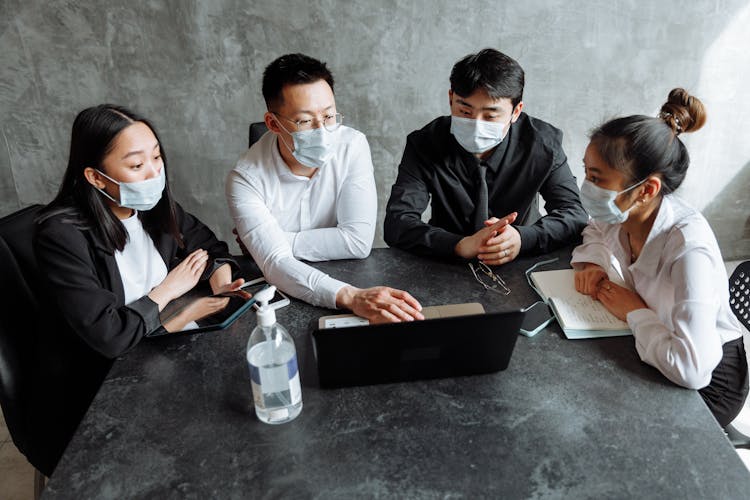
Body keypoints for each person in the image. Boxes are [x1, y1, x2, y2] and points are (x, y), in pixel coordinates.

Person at [32, 104, 243, 474]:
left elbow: (209, 248)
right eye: (136, 165)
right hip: (114, 379)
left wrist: (221, 281)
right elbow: (109, 336)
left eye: (157, 157)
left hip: (170, 348)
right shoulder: (61, 235)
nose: (154, 173)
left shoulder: (152, 206)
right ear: (96, 178)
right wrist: (166, 291)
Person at [572, 88, 748, 427]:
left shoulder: (688, 250)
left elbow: (692, 370)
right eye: (586, 173)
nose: (587, 187)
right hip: (656, 339)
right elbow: (595, 229)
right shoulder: (625, 212)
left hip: (710, 383)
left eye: (597, 178)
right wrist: (593, 261)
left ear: (646, 190)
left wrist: (635, 311)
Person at [227, 53, 423, 323]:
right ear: (273, 123)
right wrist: (350, 297)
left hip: (348, 273)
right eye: (305, 121)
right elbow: (275, 265)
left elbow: (357, 242)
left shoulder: (352, 146)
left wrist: (277, 239)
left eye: (329, 116)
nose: (323, 130)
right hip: (284, 300)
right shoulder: (245, 178)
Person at [384, 48, 588, 265]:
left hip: (524, 258)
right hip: (446, 260)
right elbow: (398, 223)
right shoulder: (425, 143)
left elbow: (574, 215)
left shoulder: (543, 145)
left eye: (490, 115)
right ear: (451, 98)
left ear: (516, 112)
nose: (476, 124)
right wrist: (459, 245)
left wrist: (522, 238)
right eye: (465, 112)